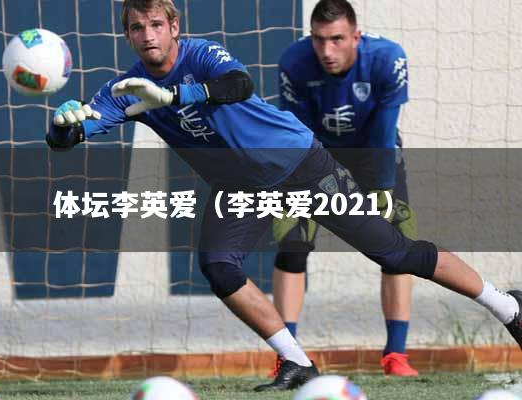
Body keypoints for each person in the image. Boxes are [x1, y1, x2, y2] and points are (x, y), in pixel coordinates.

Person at [45, 0, 522, 392]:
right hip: (241, 189)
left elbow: (239, 85)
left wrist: (173, 98)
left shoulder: (202, 55)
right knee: (218, 266)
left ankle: (508, 307)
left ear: (174, 27)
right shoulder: (125, 89)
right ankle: (297, 362)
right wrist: (63, 124)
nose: (148, 35)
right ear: (127, 35)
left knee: (395, 253)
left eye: (155, 25)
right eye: (137, 28)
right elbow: (72, 135)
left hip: (300, 166)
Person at [270, 0, 418, 377]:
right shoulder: (293, 62)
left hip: (374, 154)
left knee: (397, 246)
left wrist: (382, 190)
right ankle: (288, 357)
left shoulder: (388, 59)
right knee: (292, 243)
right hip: (316, 155)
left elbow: (384, 132)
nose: (327, 50)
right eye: (319, 39)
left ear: (356, 36)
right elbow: (298, 134)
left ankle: (396, 356)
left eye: (336, 39)